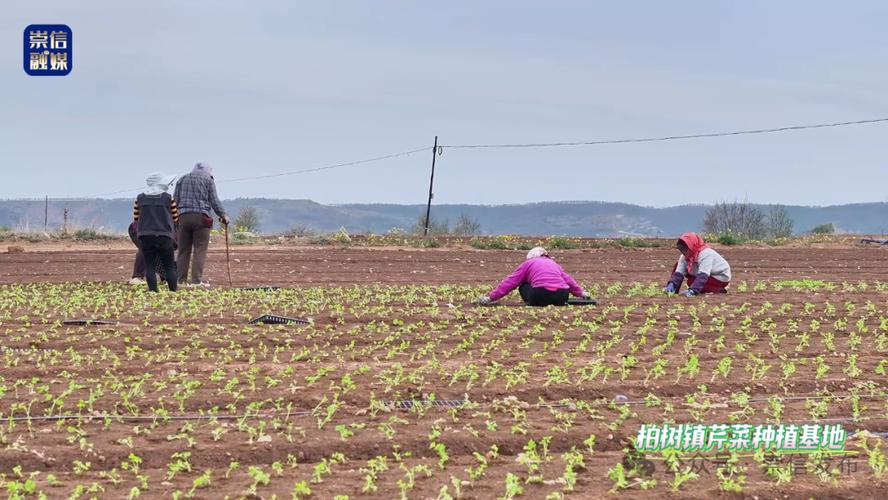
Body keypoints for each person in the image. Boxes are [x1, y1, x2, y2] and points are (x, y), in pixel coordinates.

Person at [173, 162, 229, 287]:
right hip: (201, 218)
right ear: (208, 170)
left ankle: (181, 281)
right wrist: (223, 215)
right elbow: (214, 200)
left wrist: (173, 218)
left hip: (183, 217)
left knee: (183, 250)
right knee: (200, 249)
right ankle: (196, 281)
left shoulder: (182, 179)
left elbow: (175, 200)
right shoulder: (208, 180)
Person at [477, 247, 591, 306]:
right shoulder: (554, 264)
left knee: (523, 285)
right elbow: (569, 281)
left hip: (539, 295)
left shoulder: (528, 263)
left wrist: (491, 298)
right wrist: (581, 294)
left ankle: (531, 302)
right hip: (561, 296)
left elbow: (510, 282)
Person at [133, 173, 180, 292]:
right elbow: (175, 218)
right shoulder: (168, 198)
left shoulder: (140, 198)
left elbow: (136, 218)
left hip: (145, 235)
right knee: (168, 265)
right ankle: (173, 290)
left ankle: (153, 290)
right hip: (164, 235)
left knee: (149, 265)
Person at [664, 232, 731, 296]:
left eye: (685, 249)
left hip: (719, 276)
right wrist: (672, 283)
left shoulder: (705, 254)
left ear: (691, 246)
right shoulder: (685, 256)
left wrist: (693, 290)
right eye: (681, 250)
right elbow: (679, 272)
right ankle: (674, 290)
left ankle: (718, 289)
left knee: (691, 282)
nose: (683, 252)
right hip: (703, 272)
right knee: (677, 265)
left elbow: (703, 275)